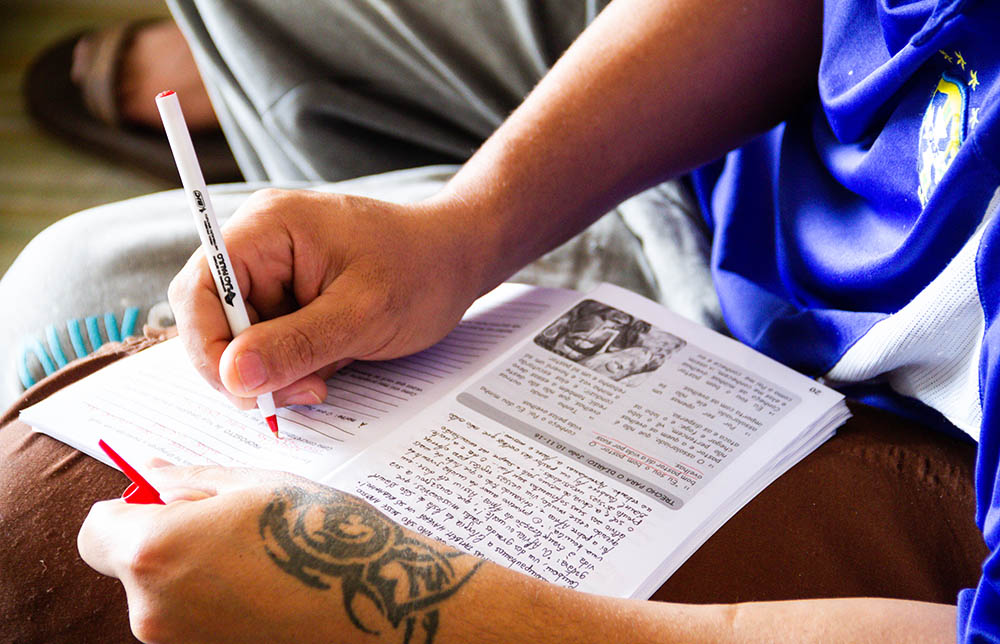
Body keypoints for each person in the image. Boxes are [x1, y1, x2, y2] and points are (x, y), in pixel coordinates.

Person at [1, 0, 997, 642]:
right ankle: (308, 127)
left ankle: (293, 127)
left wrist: (434, 610)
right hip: (746, 178)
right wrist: (463, 228)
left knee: (64, 302)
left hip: (885, 430)